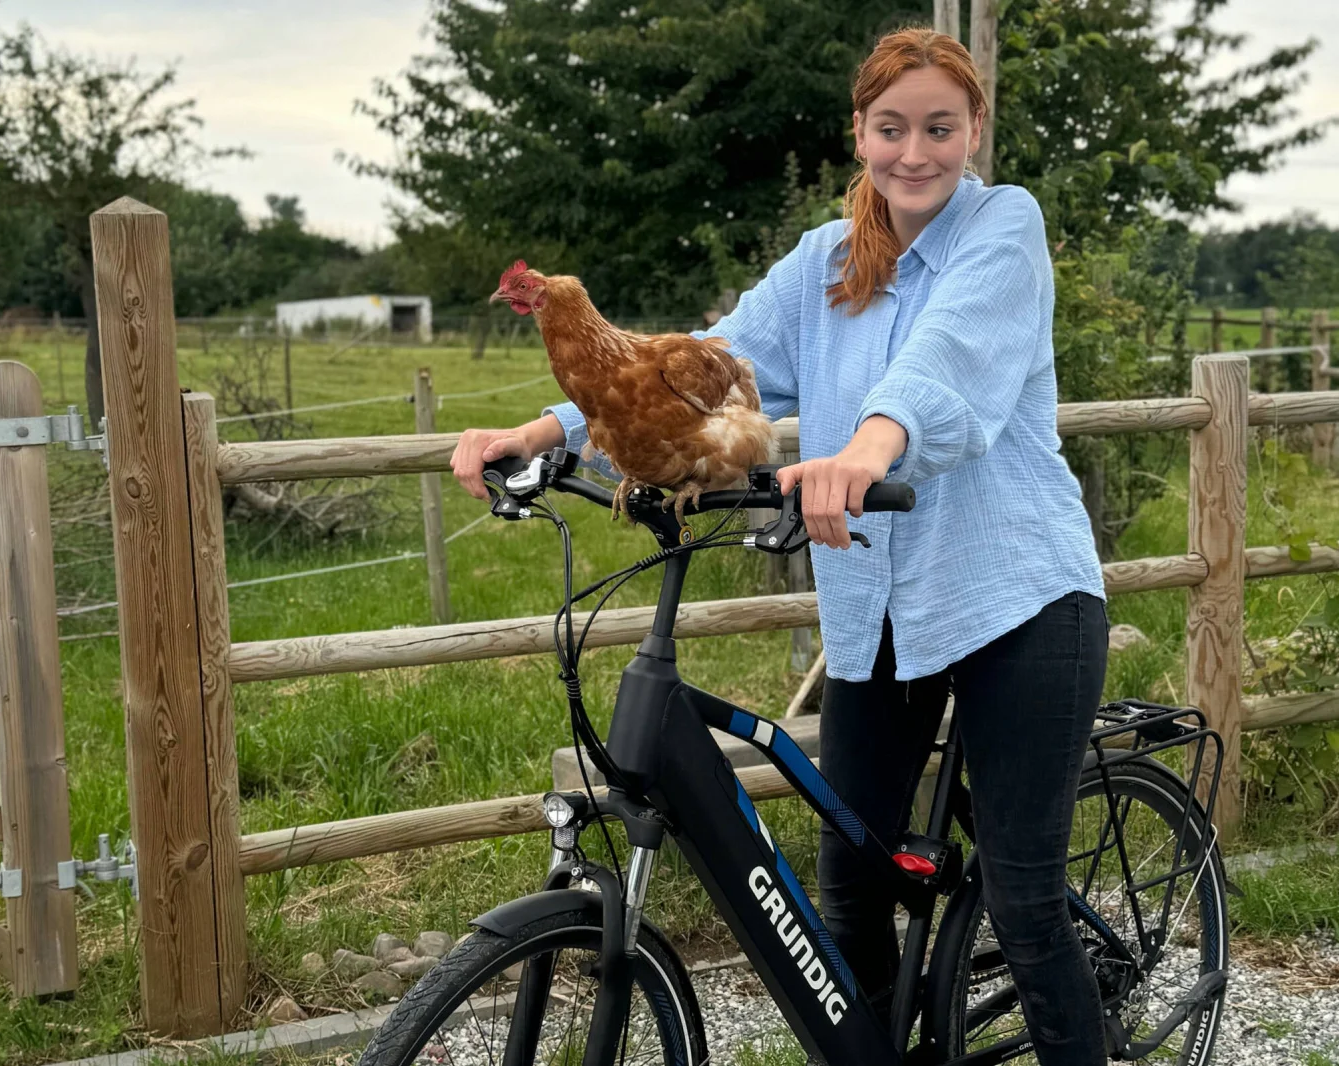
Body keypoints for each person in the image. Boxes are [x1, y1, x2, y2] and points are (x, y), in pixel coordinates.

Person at [451, 27, 1109, 1066]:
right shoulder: (826, 261)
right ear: (860, 133)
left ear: (973, 130)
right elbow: (706, 366)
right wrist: (542, 434)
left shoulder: (1003, 227)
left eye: (940, 127)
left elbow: (949, 362)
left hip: (1015, 594)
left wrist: (867, 448)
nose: (915, 152)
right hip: (878, 606)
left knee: (1025, 902)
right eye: (891, 128)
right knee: (848, 894)